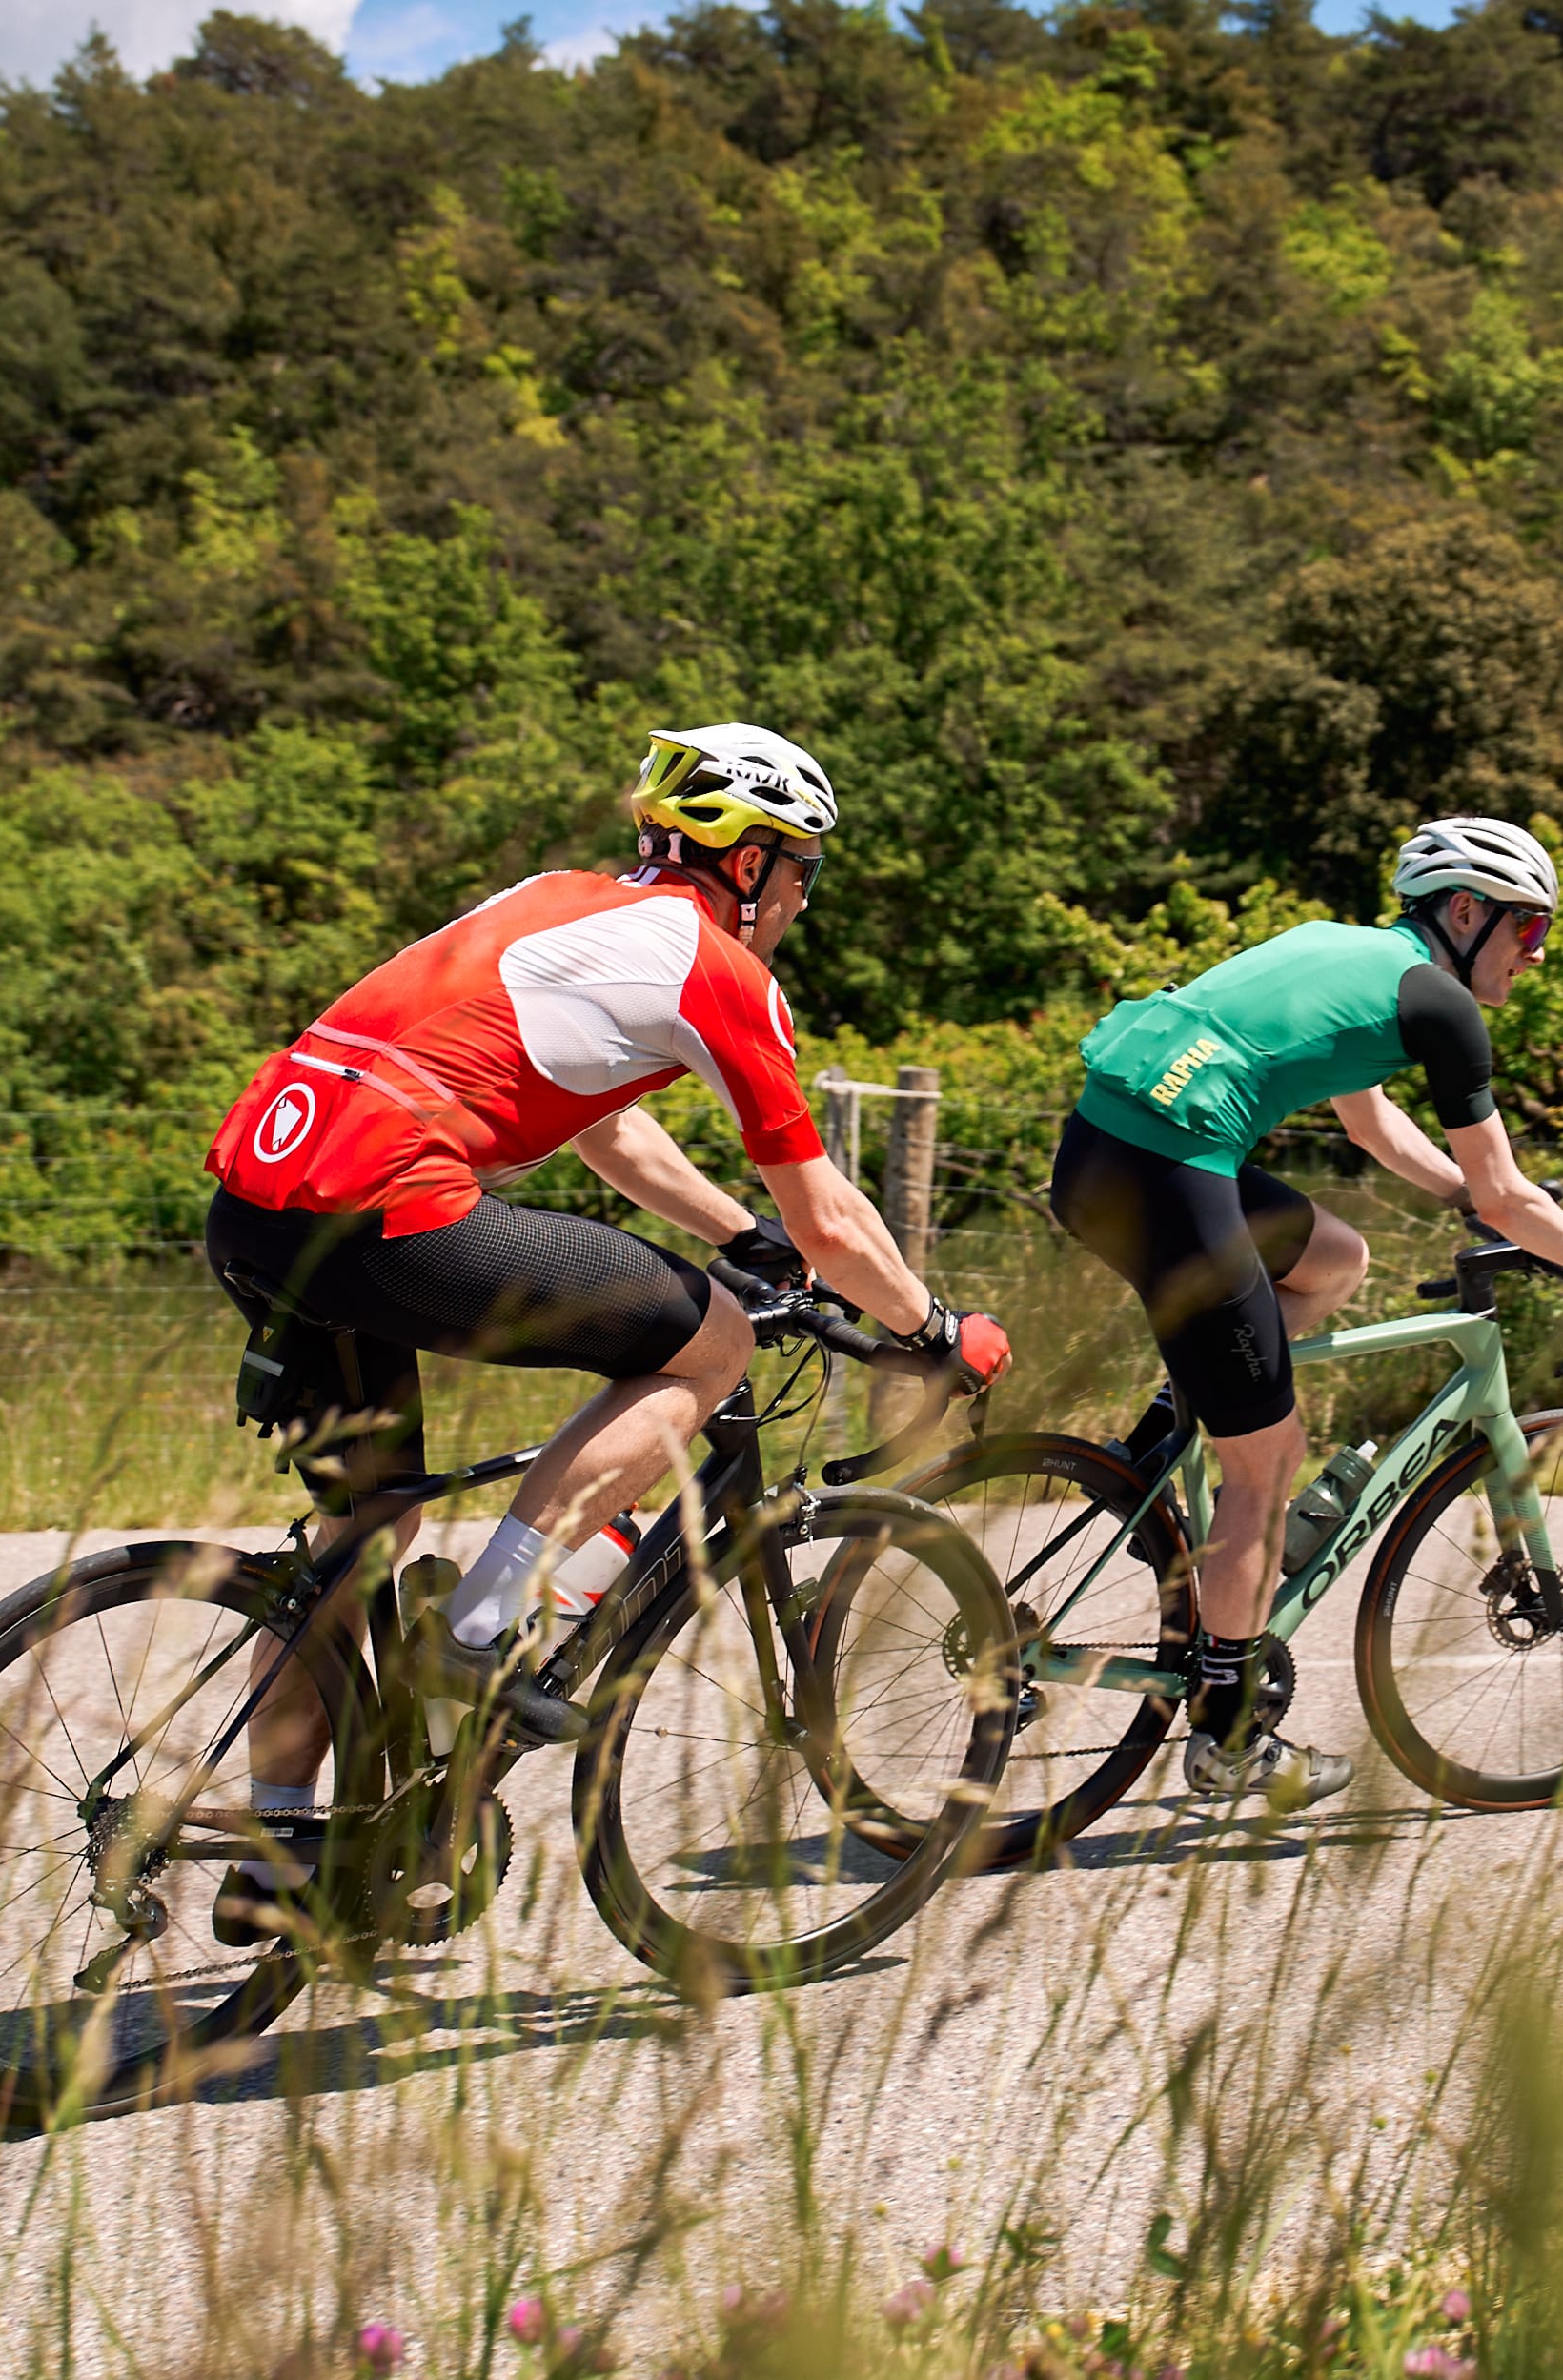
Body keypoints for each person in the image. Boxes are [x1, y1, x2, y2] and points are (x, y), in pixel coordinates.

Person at [200, 722, 1008, 1938]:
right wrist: (933, 1327)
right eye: (801, 865)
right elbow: (833, 1218)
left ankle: (277, 1848)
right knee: (712, 1345)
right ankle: (479, 1630)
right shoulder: (714, 969)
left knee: (361, 1532)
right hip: (391, 1212)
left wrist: (738, 1230)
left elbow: (605, 1129)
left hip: (257, 1208)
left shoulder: (558, 901)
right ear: (746, 862)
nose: (800, 894)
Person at [1048, 816, 1563, 1806]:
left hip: (1101, 1152)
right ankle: (1228, 1741)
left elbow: (1372, 1124)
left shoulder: (1347, 954)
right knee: (1264, 1468)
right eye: (1527, 930)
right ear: (1466, 911)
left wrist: (1465, 1201)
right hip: (1171, 1171)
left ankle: (1154, 1442)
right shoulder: (1439, 1005)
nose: (1535, 954)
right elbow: (1509, 1195)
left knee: (1335, 1258)